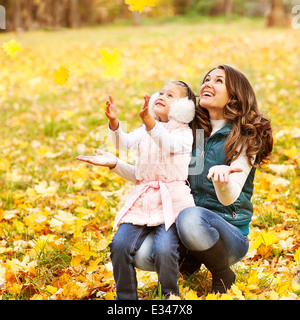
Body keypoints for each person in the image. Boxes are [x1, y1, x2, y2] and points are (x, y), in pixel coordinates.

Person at [76, 65, 273, 295]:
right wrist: (115, 164)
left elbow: (230, 197)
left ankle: (222, 272)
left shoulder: (245, 136)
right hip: (183, 227)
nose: (208, 83)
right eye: (207, 79)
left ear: (236, 95)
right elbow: (153, 176)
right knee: (142, 253)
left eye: (219, 81)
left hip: (228, 235)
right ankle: (190, 260)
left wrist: (222, 179)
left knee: (189, 218)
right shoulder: (190, 131)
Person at [77, 80, 197, 299]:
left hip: (172, 203)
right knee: (119, 245)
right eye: (160, 92)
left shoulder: (184, 134)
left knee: (164, 249)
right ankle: (126, 298)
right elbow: (123, 143)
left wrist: (150, 122)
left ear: (183, 108)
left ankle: (169, 296)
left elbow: (168, 144)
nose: (161, 96)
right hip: (143, 201)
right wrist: (114, 123)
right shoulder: (144, 130)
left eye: (170, 96)